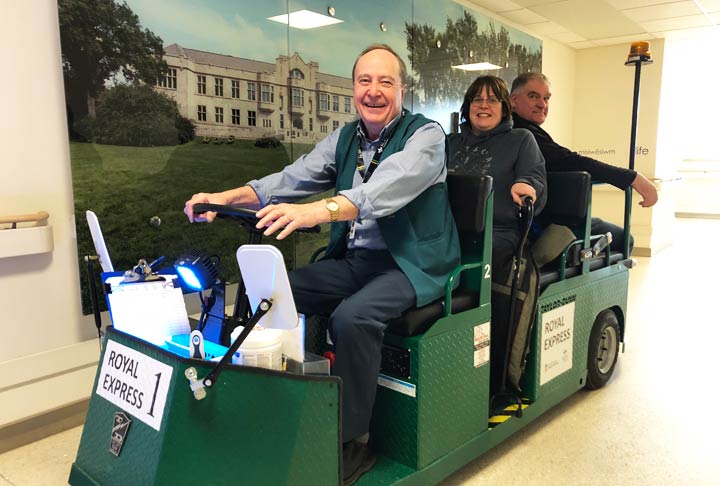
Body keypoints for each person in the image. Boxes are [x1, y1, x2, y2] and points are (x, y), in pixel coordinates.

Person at [184, 44, 460, 486]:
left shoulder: (425, 137)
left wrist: (317, 212)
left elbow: (384, 189)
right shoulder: (346, 138)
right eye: (364, 81)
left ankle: (354, 442)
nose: (374, 91)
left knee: (353, 318)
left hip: (412, 264)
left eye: (385, 82)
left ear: (402, 89)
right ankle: (275, 402)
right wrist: (223, 198)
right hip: (358, 261)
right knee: (275, 292)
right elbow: (289, 180)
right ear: (353, 88)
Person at [447, 75, 546, 395]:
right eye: (477, 99)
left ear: (505, 108)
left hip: (498, 233)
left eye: (492, 100)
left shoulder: (520, 140)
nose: (484, 105)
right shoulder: (451, 143)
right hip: (448, 232)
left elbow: (533, 177)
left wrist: (527, 185)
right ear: (467, 107)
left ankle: (495, 377)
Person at [510, 72, 658, 252]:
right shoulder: (523, 133)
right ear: (514, 100)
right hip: (539, 223)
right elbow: (568, 161)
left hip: (535, 218)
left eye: (546, 98)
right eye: (533, 96)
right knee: (624, 239)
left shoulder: (517, 131)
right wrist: (632, 178)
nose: (542, 104)